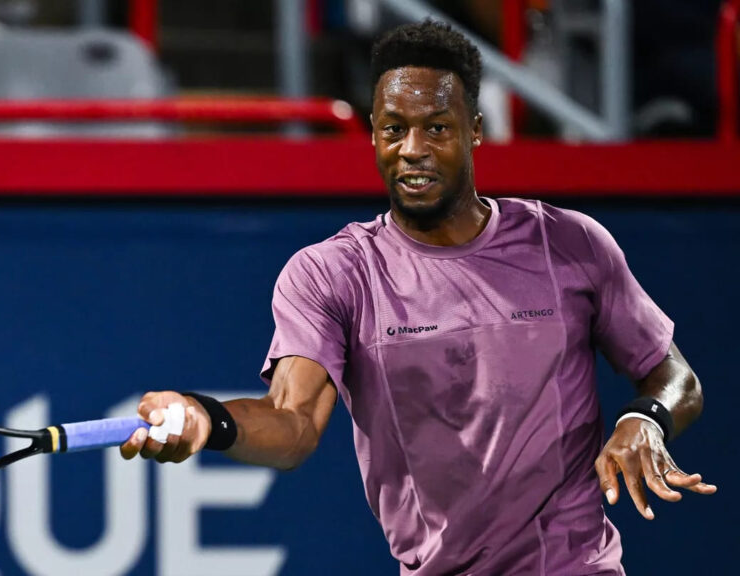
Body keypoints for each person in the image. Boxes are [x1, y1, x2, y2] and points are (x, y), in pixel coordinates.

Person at [120, 20, 717, 575]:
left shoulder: (569, 243)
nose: (412, 148)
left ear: (475, 129)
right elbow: (291, 423)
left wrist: (646, 419)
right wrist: (208, 417)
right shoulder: (332, 274)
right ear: (373, 134)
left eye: (436, 128)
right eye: (393, 129)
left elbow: (676, 378)